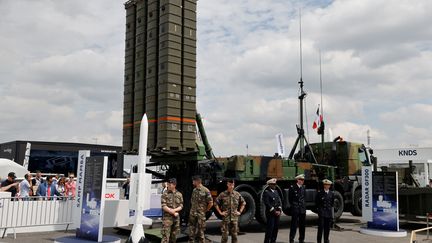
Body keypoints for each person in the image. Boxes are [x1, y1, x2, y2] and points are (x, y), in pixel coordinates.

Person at [215, 179, 246, 243]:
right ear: (227, 185)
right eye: (230, 185)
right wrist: (220, 212)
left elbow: (243, 203)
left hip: (234, 218)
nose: (231, 186)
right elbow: (215, 203)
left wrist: (239, 212)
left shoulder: (237, 194)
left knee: (234, 236)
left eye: (232, 185)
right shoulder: (223, 194)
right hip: (226, 218)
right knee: (224, 236)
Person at [188, 175, 213, 243]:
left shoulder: (205, 190)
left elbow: (211, 203)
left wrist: (205, 210)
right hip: (193, 213)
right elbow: (192, 201)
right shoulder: (194, 190)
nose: (193, 182)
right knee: (191, 230)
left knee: (201, 231)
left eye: (194, 180)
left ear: (197, 181)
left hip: (200, 214)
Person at [161, 178, 183, 243]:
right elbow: (163, 206)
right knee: (165, 237)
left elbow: (181, 206)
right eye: (168, 184)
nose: (168, 186)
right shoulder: (165, 194)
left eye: (170, 184)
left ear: (174, 185)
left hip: (176, 219)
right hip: (167, 218)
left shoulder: (179, 194)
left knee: (174, 236)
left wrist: (174, 210)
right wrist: (173, 212)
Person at [263, 178, 282, 243]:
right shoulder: (266, 192)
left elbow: (279, 202)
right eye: (273, 184)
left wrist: (279, 210)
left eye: (275, 184)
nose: (274, 186)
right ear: (269, 185)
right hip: (271, 213)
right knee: (270, 229)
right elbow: (267, 203)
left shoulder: (276, 192)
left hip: (277, 213)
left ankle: (273, 241)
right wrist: (274, 211)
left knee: (275, 229)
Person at [289, 174, 306, 243]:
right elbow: (290, 199)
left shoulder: (303, 188)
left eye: (303, 180)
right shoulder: (292, 187)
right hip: (295, 208)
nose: (302, 181)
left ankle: (301, 239)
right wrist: (294, 206)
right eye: (301, 180)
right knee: (294, 225)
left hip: (302, 209)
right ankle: (291, 239)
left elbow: (304, 198)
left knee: (302, 226)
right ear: (297, 180)